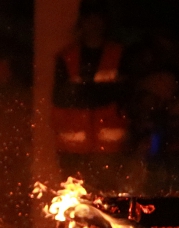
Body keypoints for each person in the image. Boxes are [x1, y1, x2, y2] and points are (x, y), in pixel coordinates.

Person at [51, 5, 129, 192]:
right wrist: (103, 92)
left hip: (110, 149)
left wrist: (82, 91)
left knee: (108, 203)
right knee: (75, 206)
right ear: (82, 22)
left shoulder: (119, 55)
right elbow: (60, 97)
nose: (94, 24)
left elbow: (124, 93)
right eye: (89, 18)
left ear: (105, 22)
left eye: (98, 18)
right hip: (72, 150)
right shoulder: (67, 57)